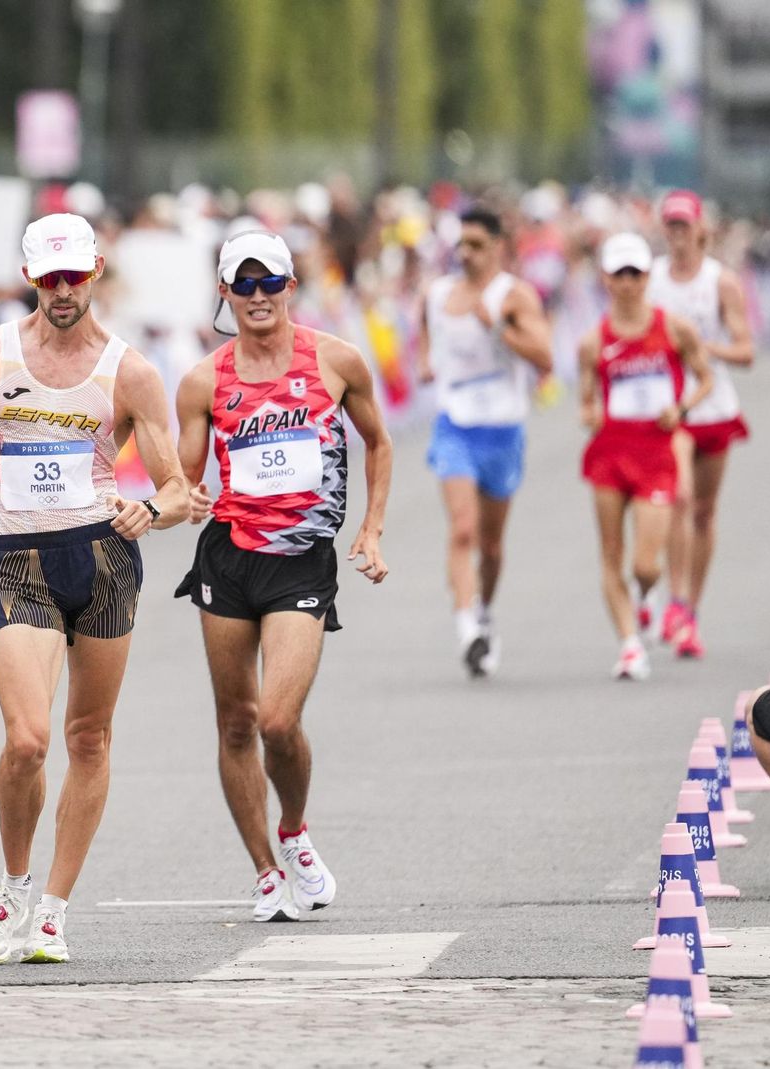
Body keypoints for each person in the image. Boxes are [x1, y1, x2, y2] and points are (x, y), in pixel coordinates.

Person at [0, 213, 189, 965]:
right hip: (21, 561)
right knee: (28, 740)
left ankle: (54, 911)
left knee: (89, 738)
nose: (63, 291)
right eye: (50, 278)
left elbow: (178, 489)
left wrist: (150, 507)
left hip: (104, 558)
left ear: (96, 270)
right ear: (30, 277)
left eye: (75, 275)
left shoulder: (129, 370)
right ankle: (12, 885)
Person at [174, 230, 392, 922]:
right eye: (245, 285)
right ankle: (265, 871)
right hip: (228, 557)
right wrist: (180, 496)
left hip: (301, 557)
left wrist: (371, 527)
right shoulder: (204, 380)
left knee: (277, 719)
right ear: (225, 294)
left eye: (271, 283)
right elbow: (184, 474)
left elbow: (379, 441)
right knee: (235, 721)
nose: (259, 296)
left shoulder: (335, 361)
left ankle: (294, 829)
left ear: (292, 287)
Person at [416, 208, 553, 677]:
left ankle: (486, 613)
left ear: (498, 246)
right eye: (461, 244)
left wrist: (498, 326)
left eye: (477, 244)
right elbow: (423, 327)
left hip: (503, 429)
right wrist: (426, 361)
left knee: (491, 546)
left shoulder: (513, 295)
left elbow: (546, 356)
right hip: (455, 425)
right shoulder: (437, 294)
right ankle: (468, 628)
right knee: (462, 530)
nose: (467, 253)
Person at [578, 233, 712, 682]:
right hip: (610, 455)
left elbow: (705, 378)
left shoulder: (673, 328)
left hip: (656, 454)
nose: (628, 282)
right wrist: (591, 412)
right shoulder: (592, 342)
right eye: (619, 274)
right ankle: (630, 646)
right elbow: (585, 399)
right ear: (606, 279)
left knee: (645, 563)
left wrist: (684, 408)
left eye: (635, 273)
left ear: (647, 277)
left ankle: (645, 593)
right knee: (611, 555)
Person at [645, 190, 755, 659]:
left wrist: (701, 349)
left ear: (700, 230)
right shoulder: (648, 279)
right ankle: (672, 600)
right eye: (670, 225)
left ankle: (690, 607)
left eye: (683, 225)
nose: (676, 234)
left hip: (714, 405)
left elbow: (746, 350)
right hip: (673, 408)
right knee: (679, 497)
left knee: (705, 512)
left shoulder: (720, 282)